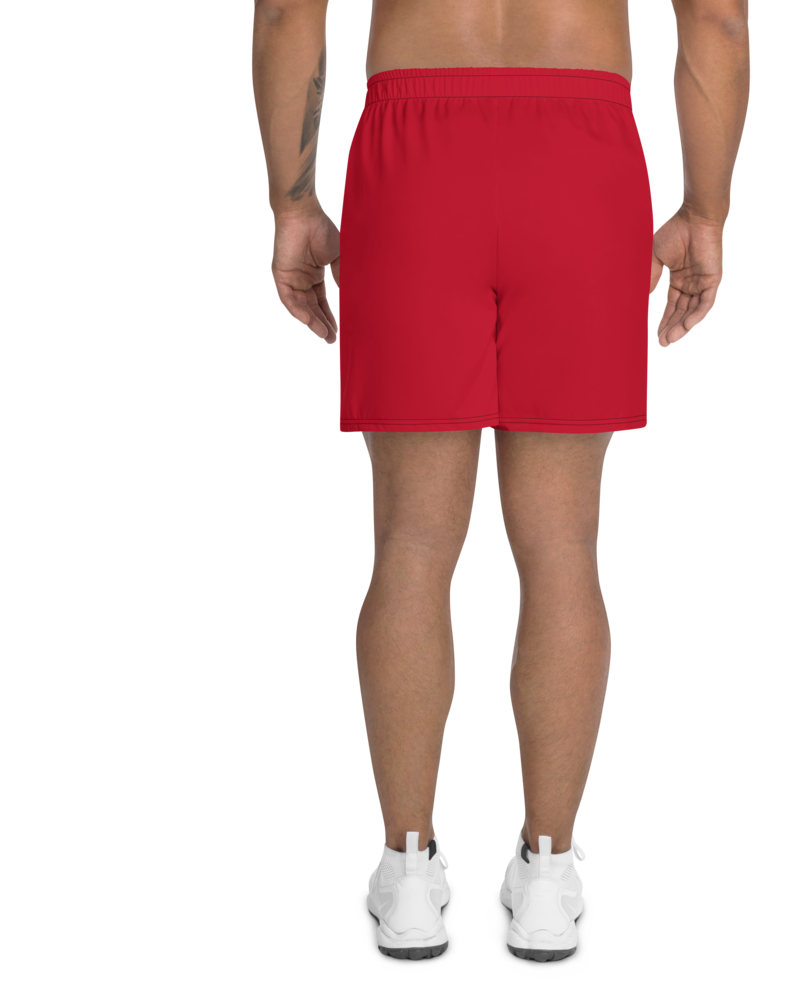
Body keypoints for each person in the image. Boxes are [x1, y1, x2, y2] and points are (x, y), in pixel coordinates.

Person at [252, 0, 750, 961]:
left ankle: (406, 874)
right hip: (581, 150)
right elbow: (718, 22)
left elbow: (285, 15)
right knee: (562, 545)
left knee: (409, 541)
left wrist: (291, 203)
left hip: (414, 154)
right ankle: (550, 876)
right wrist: (706, 213)